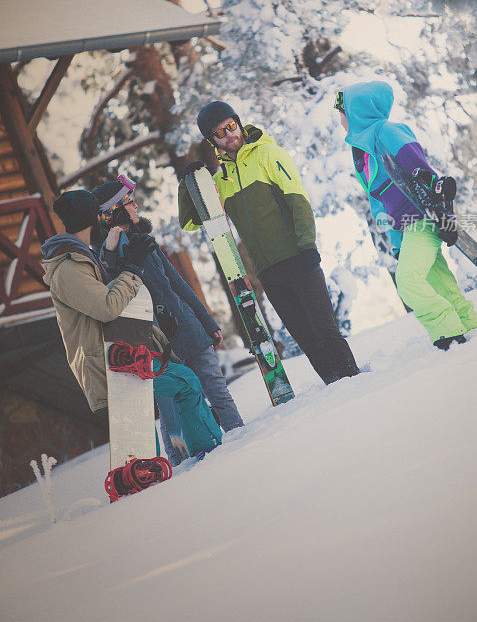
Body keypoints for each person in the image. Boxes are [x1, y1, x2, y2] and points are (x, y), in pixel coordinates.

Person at [178, 101, 359, 385]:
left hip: (299, 258)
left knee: (325, 331)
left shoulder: (267, 153)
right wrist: (187, 184)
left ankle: (355, 382)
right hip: (268, 273)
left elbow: (297, 199)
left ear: (238, 122)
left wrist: (308, 246)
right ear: (212, 141)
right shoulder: (222, 179)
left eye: (231, 126)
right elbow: (190, 223)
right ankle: (335, 387)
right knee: (306, 339)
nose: (229, 135)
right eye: (220, 133)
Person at [41, 189, 222, 460]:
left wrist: (115, 257)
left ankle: (204, 454)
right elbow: (106, 306)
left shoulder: (82, 255)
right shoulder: (68, 265)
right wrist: (132, 269)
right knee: (174, 391)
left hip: (121, 352)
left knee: (184, 381)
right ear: (91, 217)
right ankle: (196, 459)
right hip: (105, 361)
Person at [92, 175, 243, 465]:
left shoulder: (146, 242)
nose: (136, 206)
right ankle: (181, 464)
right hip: (157, 345)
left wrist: (208, 323)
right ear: (114, 211)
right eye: (129, 202)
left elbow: (179, 285)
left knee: (218, 392)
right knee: (171, 407)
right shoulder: (104, 256)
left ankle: (240, 438)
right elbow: (111, 290)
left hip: (189, 330)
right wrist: (111, 253)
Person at [335, 81, 477, 350]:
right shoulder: (363, 149)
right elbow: (380, 201)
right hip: (407, 226)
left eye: (341, 108)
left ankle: (447, 331)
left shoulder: (387, 132)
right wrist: (397, 243)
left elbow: (421, 169)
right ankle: (467, 322)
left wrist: (443, 212)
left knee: (408, 281)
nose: (339, 115)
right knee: (437, 280)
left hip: (423, 217)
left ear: (358, 110)